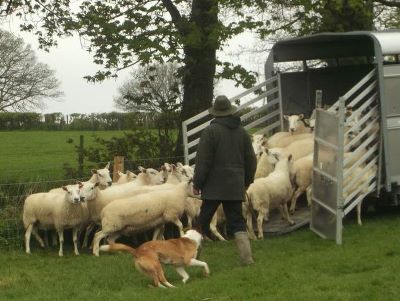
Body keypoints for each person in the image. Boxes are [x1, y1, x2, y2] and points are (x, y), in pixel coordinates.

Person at [193, 95, 257, 265]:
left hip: (213, 187)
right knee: (237, 221)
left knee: (202, 221)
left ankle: (191, 257)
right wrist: (246, 181)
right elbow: (251, 160)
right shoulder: (242, 132)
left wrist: (197, 184)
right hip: (234, 185)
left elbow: (203, 161)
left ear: (215, 113)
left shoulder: (210, 132)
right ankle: (247, 258)